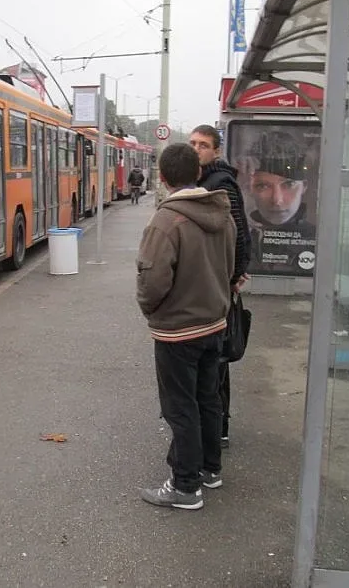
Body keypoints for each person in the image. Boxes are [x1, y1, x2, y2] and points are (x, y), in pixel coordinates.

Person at [136, 143, 236, 510]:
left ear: (161, 177)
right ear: (198, 173)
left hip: (178, 330)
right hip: (214, 322)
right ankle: (211, 469)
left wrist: (152, 311)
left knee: (181, 408)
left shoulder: (166, 221)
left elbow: (152, 280)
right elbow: (228, 266)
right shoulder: (221, 213)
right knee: (208, 399)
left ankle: (185, 486)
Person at [189, 124, 251, 449]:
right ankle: (216, 426)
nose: (196, 148)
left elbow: (240, 234)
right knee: (214, 359)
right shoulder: (203, 180)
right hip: (215, 285)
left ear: (215, 151)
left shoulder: (219, 183)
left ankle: (219, 427)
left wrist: (233, 278)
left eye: (203, 145)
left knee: (217, 361)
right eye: (192, 143)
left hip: (219, 288)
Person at [244, 131, 316, 274]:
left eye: (288, 185)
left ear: (304, 187)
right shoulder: (239, 238)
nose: (277, 200)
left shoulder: (320, 242)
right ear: (250, 188)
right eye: (263, 186)